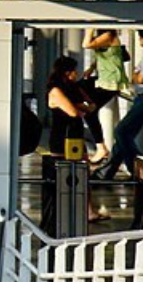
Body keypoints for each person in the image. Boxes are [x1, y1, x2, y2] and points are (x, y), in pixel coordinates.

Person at [93, 30, 143, 181]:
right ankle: (106, 172)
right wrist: (137, 76)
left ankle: (138, 169)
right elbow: (135, 74)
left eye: (140, 36)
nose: (139, 39)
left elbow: (141, 78)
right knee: (124, 135)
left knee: (121, 131)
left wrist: (137, 76)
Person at [41, 56, 106, 233]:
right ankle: (62, 209)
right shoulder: (55, 90)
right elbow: (72, 112)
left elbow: (91, 106)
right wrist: (80, 106)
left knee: (82, 172)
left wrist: (80, 101)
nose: (76, 74)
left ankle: (88, 210)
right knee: (63, 173)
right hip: (62, 138)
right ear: (66, 72)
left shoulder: (73, 89)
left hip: (76, 137)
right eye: (73, 71)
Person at [81, 29, 129, 163]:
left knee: (90, 112)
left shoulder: (109, 35)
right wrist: (91, 67)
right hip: (103, 80)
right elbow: (104, 55)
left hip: (111, 82)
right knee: (78, 88)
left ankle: (101, 147)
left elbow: (86, 45)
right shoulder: (104, 37)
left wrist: (89, 28)